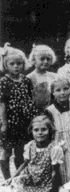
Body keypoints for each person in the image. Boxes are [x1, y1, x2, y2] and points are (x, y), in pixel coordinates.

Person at [0, 115, 63, 192]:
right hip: (28, 178)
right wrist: (13, 177)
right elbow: (24, 164)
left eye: (44, 129)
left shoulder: (54, 148)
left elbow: (55, 172)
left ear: (50, 131)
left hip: (42, 184)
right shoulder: (30, 145)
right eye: (36, 130)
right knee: (6, 186)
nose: (40, 133)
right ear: (31, 131)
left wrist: (53, 191)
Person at [0, 46, 38, 179]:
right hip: (10, 121)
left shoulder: (26, 80)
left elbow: (30, 99)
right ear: (6, 65)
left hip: (24, 121)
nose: (16, 66)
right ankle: (6, 179)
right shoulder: (4, 82)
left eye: (19, 63)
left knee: (21, 150)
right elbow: (2, 104)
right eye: (12, 64)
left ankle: (19, 178)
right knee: (6, 150)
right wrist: (4, 123)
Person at [27, 44, 58, 111]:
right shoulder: (29, 78)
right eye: (42, 59)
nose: (46, 61)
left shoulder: (54, 76)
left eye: (48, 59)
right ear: (34, 60)